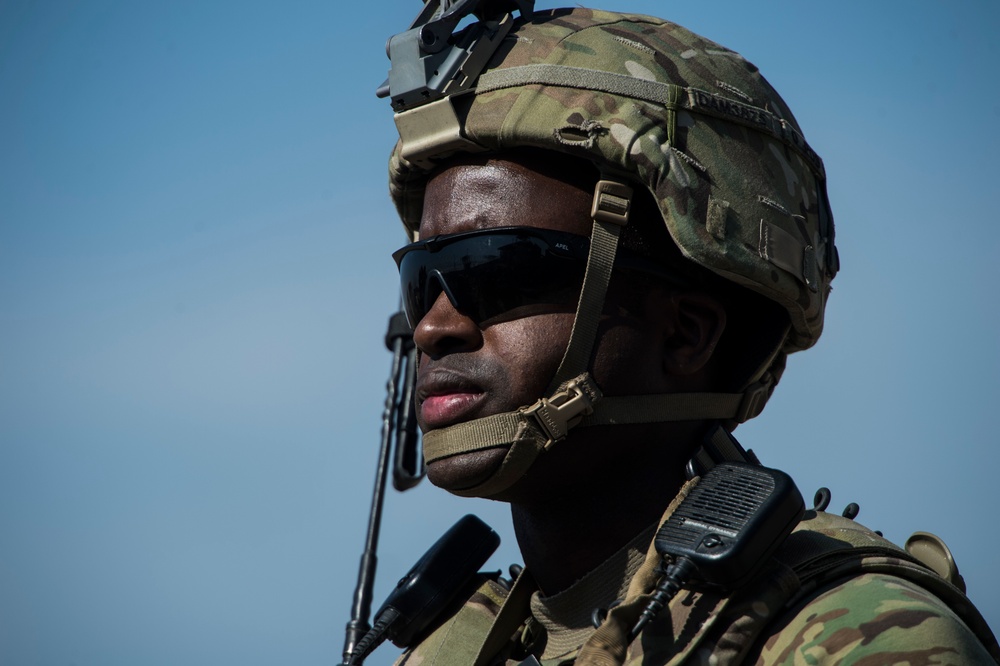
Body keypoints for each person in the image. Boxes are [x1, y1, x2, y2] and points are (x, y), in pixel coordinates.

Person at [377, 4, 1000, 664]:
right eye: (424, 280)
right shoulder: (449, 652)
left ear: (685, 335)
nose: (434, 327)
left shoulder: (857, 638)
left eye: (497, 272)